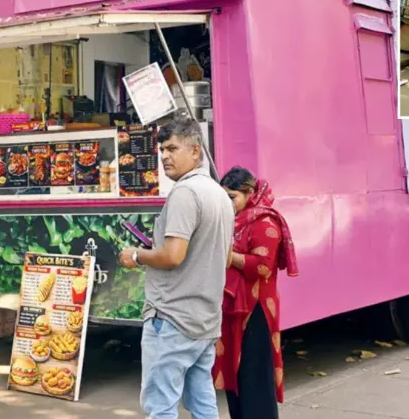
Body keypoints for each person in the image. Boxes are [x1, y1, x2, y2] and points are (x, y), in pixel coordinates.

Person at [119, 116, 234, 419]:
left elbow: (172, 256)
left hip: (173, 318)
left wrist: (137, 255)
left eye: (172, 148)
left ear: (196, 151)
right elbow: (224, 256)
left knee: (161, 407)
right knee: (203, 403)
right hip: (205, 320)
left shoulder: (185, 193)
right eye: (161, 149)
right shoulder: (220, 195)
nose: (165, 156)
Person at [212, 167, 299, 419]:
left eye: (231, 197)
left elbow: (262, 266)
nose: (227, 204)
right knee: (235, 371)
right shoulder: (234, 219)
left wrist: (230, 258)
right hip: (233, 306)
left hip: (257, 309)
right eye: (223, 198)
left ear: (249, 193)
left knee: (255, 373)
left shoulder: (264, 222)